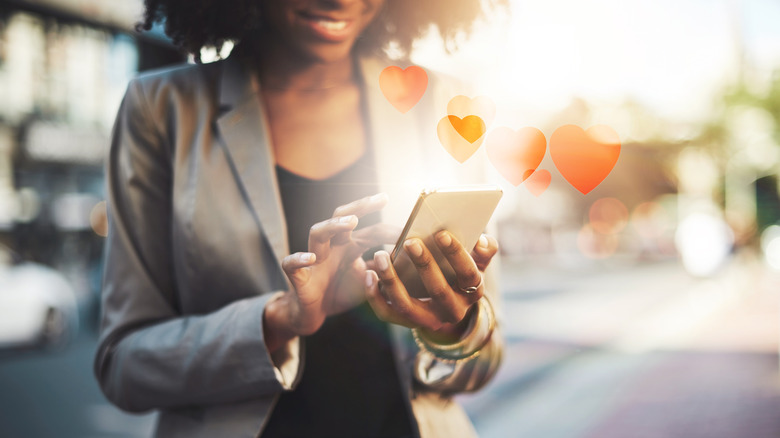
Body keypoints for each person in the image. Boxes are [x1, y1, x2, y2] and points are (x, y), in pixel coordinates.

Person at [94, 0, 504, 437]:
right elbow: (123, 366)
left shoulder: (444, 107)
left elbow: (487, 358)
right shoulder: (161, 108)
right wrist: (279, 319)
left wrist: (452, 328)